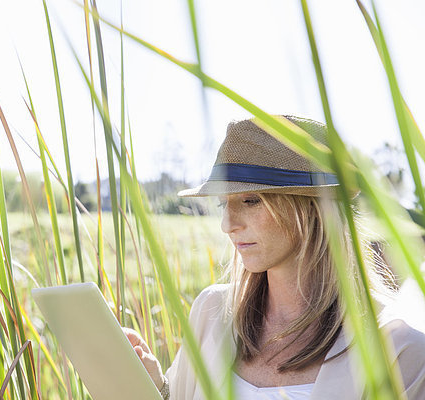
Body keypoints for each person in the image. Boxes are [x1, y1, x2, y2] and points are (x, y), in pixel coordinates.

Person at [124, 115, 425, 399]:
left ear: (311, 208)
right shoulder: (212, 311)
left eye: (251, 200)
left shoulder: (398, 347)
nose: (227, 225)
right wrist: (155, 387)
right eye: (223, 205)